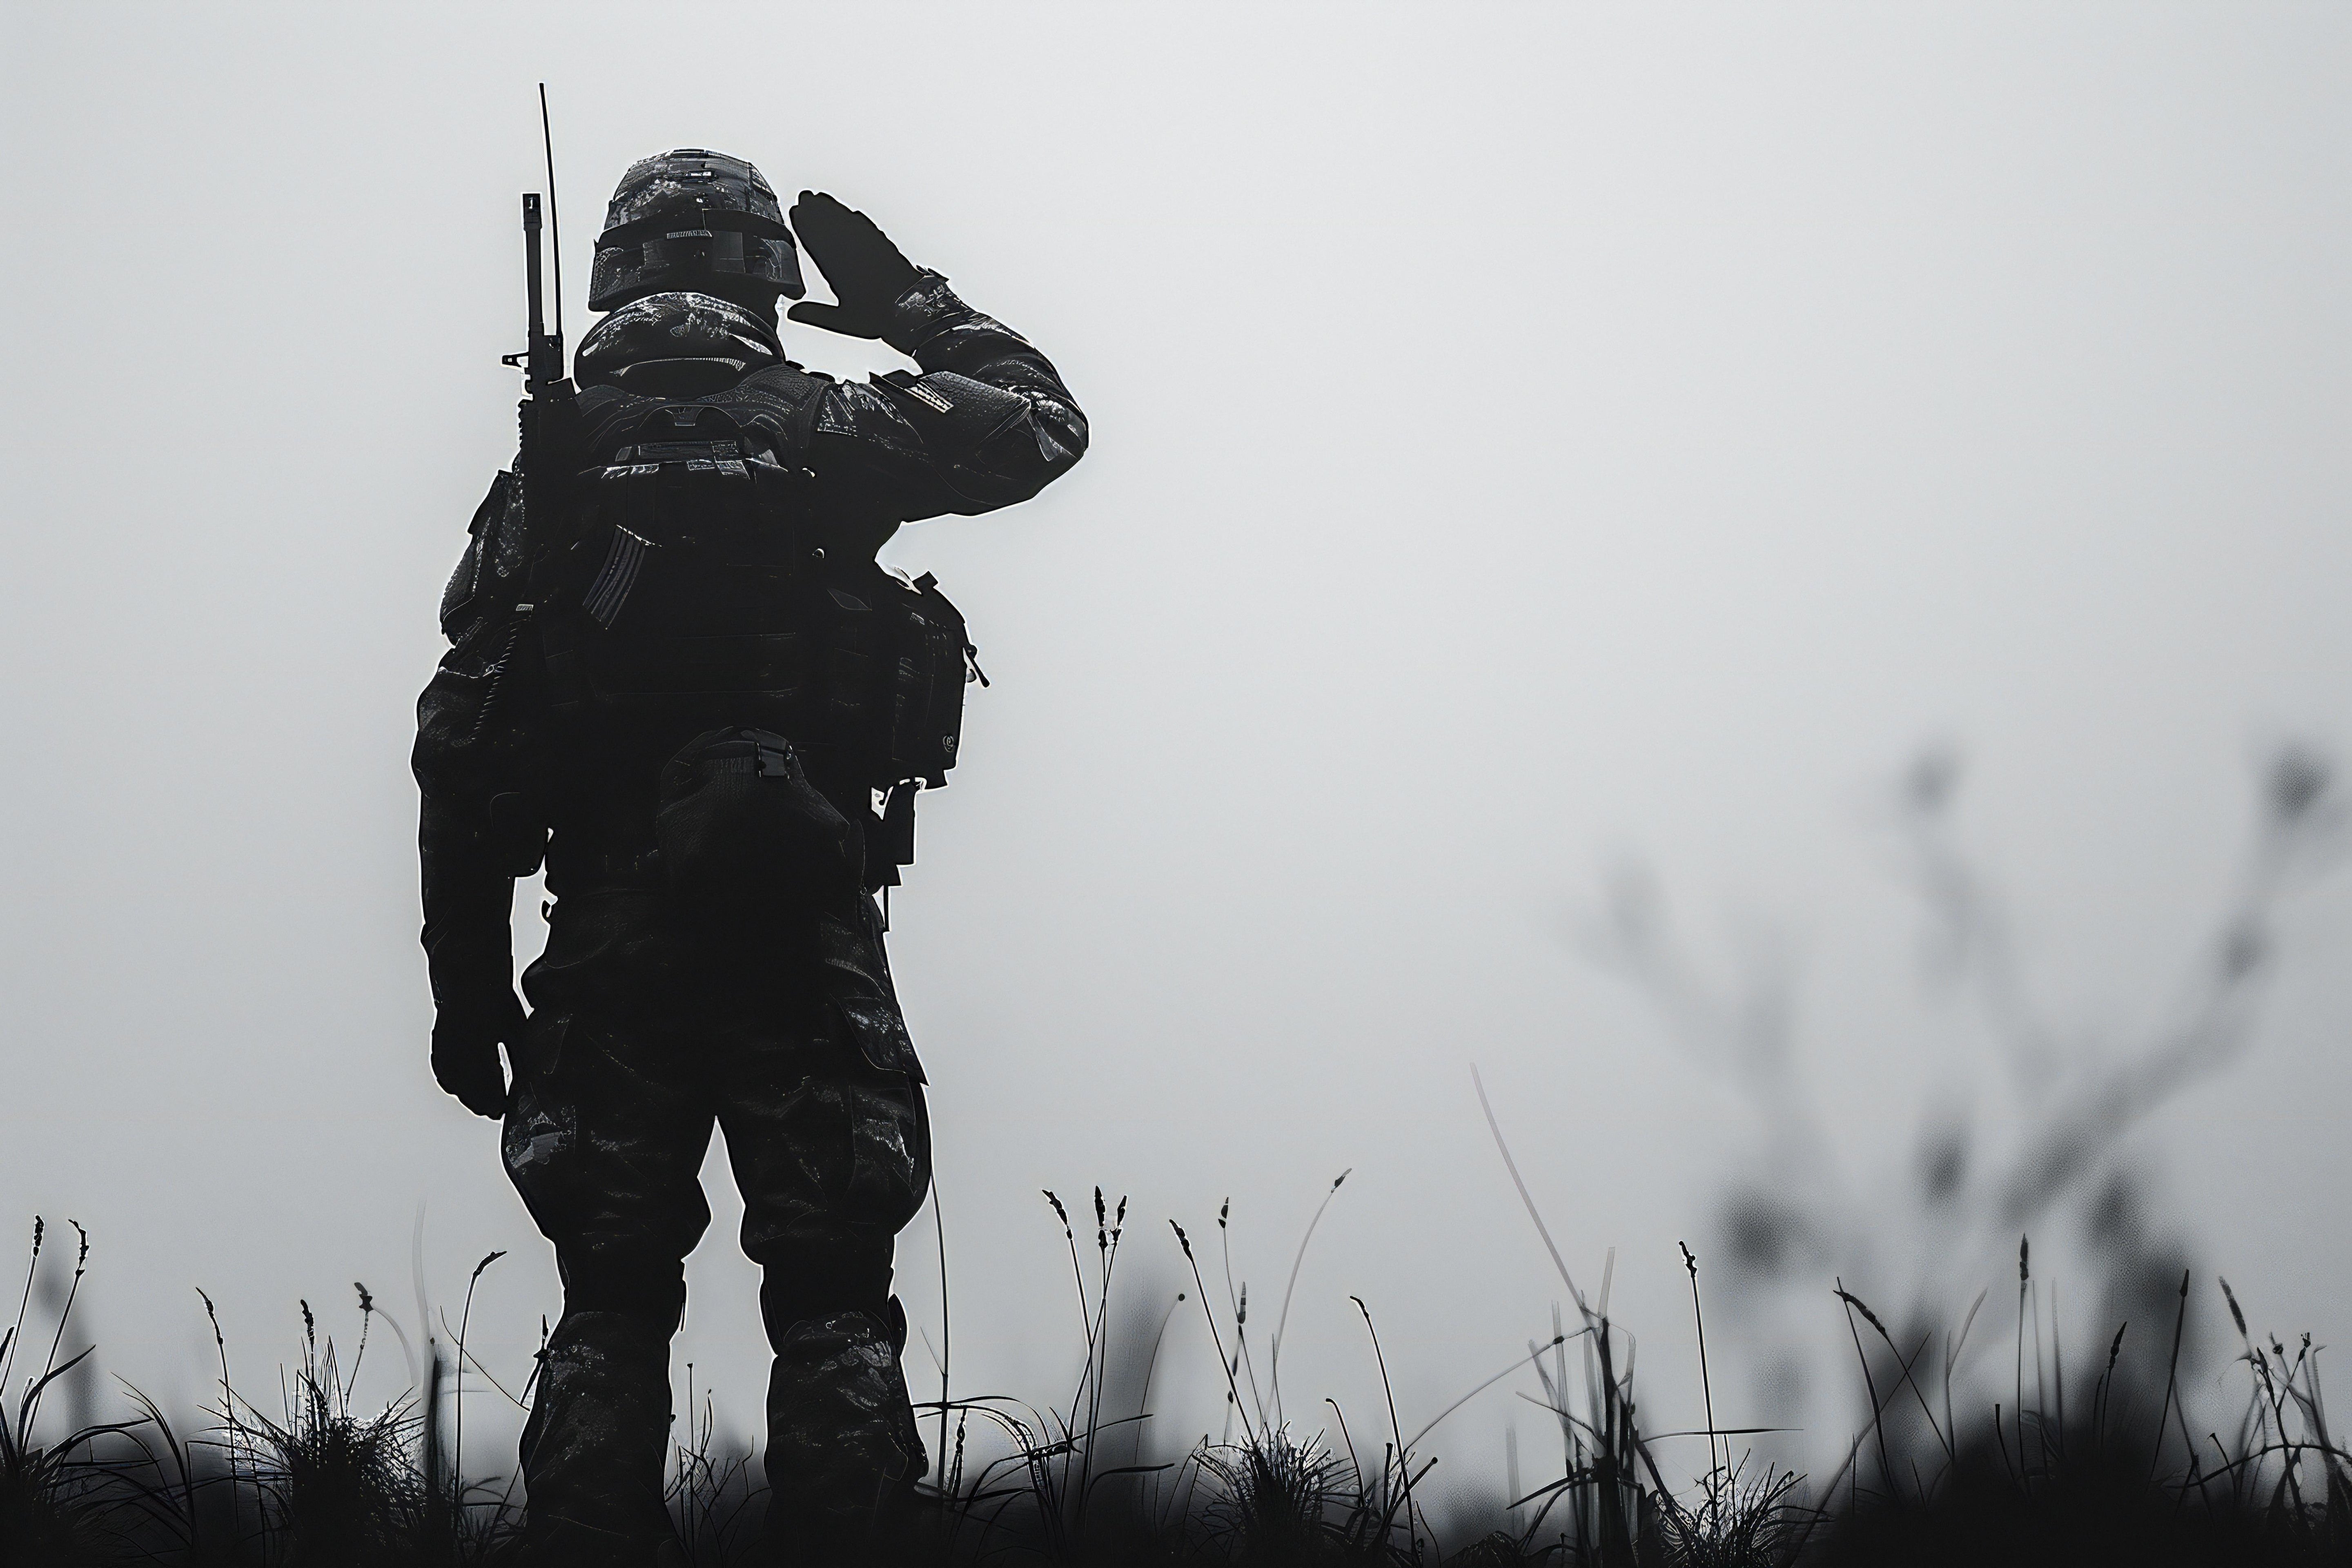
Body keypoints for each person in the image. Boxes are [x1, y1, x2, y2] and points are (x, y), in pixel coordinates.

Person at [412, 148, 1086, 1565]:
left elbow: (462, 744)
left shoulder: (553, 466)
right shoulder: (834, 428)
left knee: (608, 1297)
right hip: (806, 930)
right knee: (836, 1295)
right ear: (768, 276)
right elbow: (1045, 425)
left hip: (606, 943)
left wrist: (470, 996)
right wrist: (915, 308)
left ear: (614, 277)